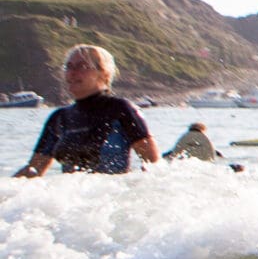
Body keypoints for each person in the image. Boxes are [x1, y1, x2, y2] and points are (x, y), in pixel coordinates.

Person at [15, 46, 158, 177]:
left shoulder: (120, 109)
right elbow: (33, 170)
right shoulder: (59, 118)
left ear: (103, 73)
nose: (72, 73)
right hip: (73, 201)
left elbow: (153, 164)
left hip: (112, 199)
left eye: (81, 66)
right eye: (69, 67)